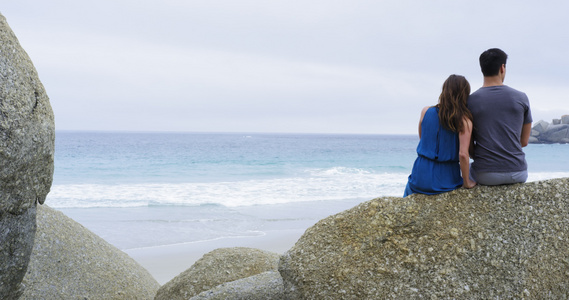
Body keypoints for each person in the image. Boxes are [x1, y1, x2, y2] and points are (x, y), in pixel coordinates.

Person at [468, 48, 532, 185]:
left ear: (482, 69)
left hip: (485, 174)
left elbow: (468, 145)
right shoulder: (521, 97)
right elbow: (524, 141)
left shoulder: (470, 101)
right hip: (518, 172)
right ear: (502, 68)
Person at [404, 74, 476, 197]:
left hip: (419, 174)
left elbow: (424, 139)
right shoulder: (464, 121)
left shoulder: (425, 111)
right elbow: (463, 155)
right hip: (445, 177)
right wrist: (466, 182)